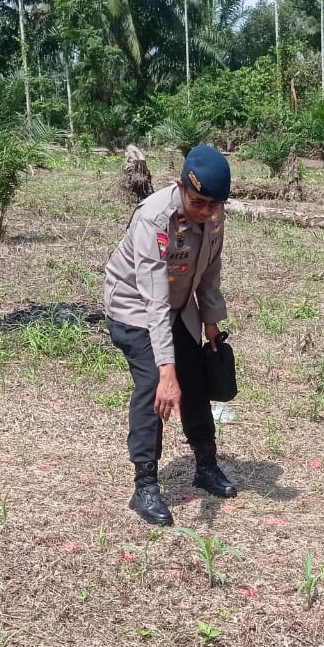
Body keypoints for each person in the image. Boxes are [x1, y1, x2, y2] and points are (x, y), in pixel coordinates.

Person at [104, 144, 237, 526]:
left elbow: (211, 268)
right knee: (154, 386)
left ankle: (206, 465)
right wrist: (165, 370)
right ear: (180, 186)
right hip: (134, 307)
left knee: (193, 377)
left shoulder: (213, 212)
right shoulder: (153, 219)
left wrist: (210, 319)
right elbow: (154, 300)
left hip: (180, 305)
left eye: (214, 204)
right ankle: (144, 484)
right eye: (199, 202)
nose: (207, 211)